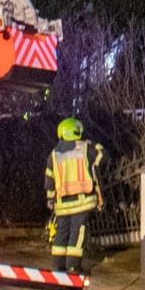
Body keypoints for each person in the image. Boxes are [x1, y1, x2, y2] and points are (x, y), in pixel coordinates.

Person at [45, 117, 103, 275]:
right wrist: (94, 144)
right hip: (82, 202)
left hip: (62, 204)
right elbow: (103, 156)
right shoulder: (85, 149)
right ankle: (73, 267)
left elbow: (50, 178)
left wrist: (50, 199)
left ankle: (58, 267)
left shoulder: (54, 154)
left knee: (61, 234)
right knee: (78, 234)